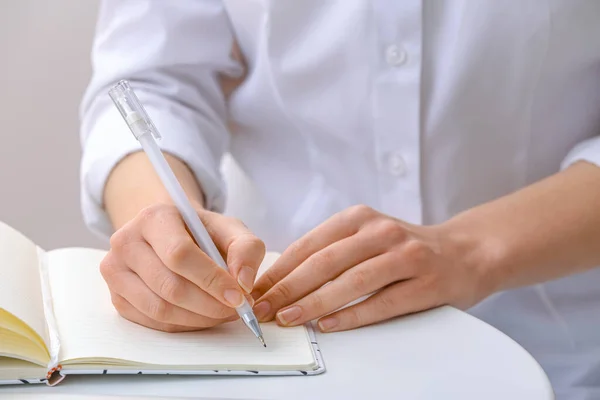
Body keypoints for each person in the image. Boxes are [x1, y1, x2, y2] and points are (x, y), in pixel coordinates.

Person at [79, 1, 600, 398]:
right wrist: (162, 227)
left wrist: (474, 249)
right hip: (263, 332)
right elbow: (152, 79)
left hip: (555, 346)